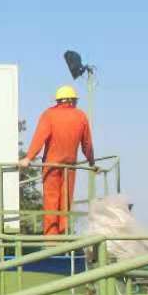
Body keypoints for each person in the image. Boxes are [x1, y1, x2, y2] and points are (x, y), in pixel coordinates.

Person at [19, 84, 95, 235]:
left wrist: (28, 158)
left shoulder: (49, 115)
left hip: (51, 166)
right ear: (71, 100)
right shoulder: (81, 116)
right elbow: (87, 144)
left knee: (51, 202)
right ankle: (63, 236)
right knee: (65, 203)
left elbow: (39, 138)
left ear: (59, 100)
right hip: (70, 167)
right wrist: (91, 162)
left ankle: (51, 240)